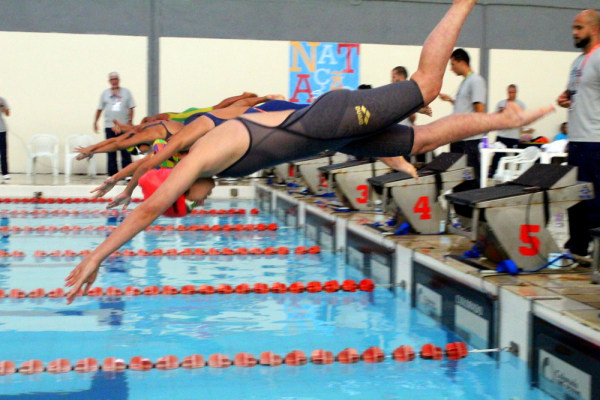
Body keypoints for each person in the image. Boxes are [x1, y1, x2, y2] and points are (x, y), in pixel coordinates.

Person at [65, 0, 554, 303]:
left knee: (427, 87)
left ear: (179, 183)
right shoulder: (206, 156)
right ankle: (505, 120)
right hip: (332, 133)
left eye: (186, 201)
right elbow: (157, 180)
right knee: (424, 140)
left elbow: (152, 201)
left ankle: (463, 4)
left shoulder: (200, 155)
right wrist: (124, 184)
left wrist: (97, 257)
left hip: (330, 120)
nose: (194, 204)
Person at [557, 9, 600, 258]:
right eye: (573, 28)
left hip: (595, 142)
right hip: (576, 141)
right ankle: (578, 247)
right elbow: (574, 93)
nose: (574, 33)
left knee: (595, 201)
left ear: (594, 30)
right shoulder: (577, 63)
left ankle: (596, 251)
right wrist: (565, 98)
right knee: (575, 198)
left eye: (579, 28)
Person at [439, 48, 487, 183]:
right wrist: (450, 100)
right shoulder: (466, 81)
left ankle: (469, 202)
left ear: (462, 62)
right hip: (459, 137)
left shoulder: (476, 81)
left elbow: (479, 111)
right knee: (457, 177)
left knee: (469, 177)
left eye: (453, 64)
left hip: (468, 140)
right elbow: (465, 108)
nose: (451, 69)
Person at [94, 72, 136, 177]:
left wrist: (130, 122)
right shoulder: (105, 94)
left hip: (124, 127)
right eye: (112, 79)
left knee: (126, 149)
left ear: (119, 80)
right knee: (111, 150)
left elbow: (131, 108)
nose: (114, 81)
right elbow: (100, 109)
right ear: (109, 81)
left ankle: (128, 173)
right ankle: (112, 173)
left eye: (115, 79)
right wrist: (95, 122)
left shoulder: (126, 92)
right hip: (110, 126)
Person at [490, 84, 526, 174]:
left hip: (513, 136)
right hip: (502, 134)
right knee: (498, 155)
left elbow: (523, 119)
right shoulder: (501, 103)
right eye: (509, 92)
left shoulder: (521, 104)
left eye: (513, 92)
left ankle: (513, 173)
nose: (511, 94)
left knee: (513, 156)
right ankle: (493, 172)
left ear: (516, 93)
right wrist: (501, 112)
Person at [0, 94, 9, 180]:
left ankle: (5, 173)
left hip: (1, 130)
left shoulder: (2, 99)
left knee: (3, 153)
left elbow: (7, 113)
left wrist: (1, 104)